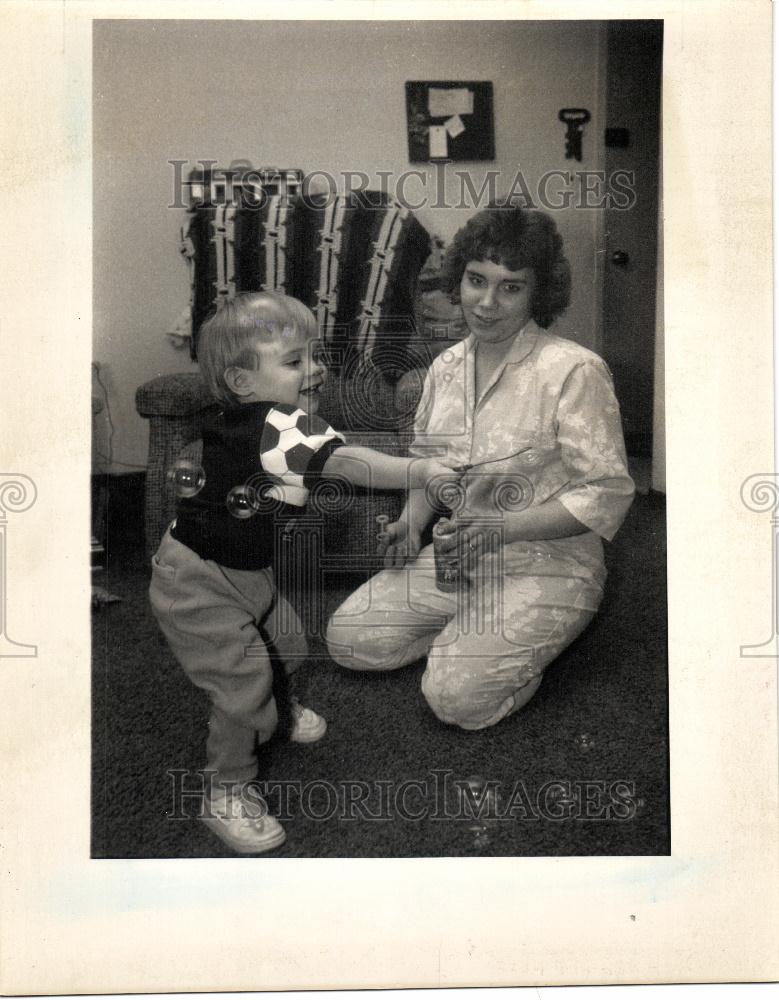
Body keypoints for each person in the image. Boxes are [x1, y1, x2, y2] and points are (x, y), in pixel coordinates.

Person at [149, 291, 458, 854]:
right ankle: (225, 791)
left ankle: (281, 708)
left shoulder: (272, 421)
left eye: (313, 356)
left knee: (286, 643)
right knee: (242, 685)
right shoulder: (278, 426)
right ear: (243, 383)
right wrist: (422, 469)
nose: (314, 369)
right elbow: (347, 462)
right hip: (197, 581)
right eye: (294, 362)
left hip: (242, 566)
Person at [326, 205, 635, 731]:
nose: (486, 303)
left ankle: (496, 653)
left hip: (550, 565)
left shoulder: (574, 371)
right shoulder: (445, 369)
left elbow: (604, 494)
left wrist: (501, 528)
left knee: (456, 702)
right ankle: (468, 639)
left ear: (538, 293)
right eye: (476, 281)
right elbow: (431, 464)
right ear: (459, 279)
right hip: (460, 560)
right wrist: (410, 524)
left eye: (510, 287)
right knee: (347, 640)